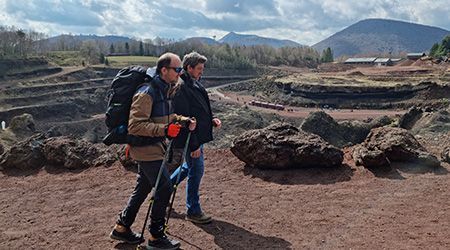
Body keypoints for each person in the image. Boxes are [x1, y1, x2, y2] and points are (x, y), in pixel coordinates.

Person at [110, 52, 196, 249]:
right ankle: (156, 236)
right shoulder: (147, 92)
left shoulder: (163, 89)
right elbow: (136, 126)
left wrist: (182, 120)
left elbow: (165, 116)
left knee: (143, 187)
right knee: (165, 187)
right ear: (163, 70)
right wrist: (164, 130)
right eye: (177, 69)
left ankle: (122, 227)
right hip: (145, 148)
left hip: (155, 146)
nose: (180, 73)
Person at [170, 51, 222, 224]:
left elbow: (199, 108)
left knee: (188, 167)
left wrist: (210, 120)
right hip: (192, 139)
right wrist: (193, 146)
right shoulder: (181, 87)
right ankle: (193, 210)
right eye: (199, 68)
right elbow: (185, 119)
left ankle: (162, 189)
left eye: (202, 68)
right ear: (189, 67)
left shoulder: (193, 83)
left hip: (197, 136)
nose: (202, 72)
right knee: (196, 170)